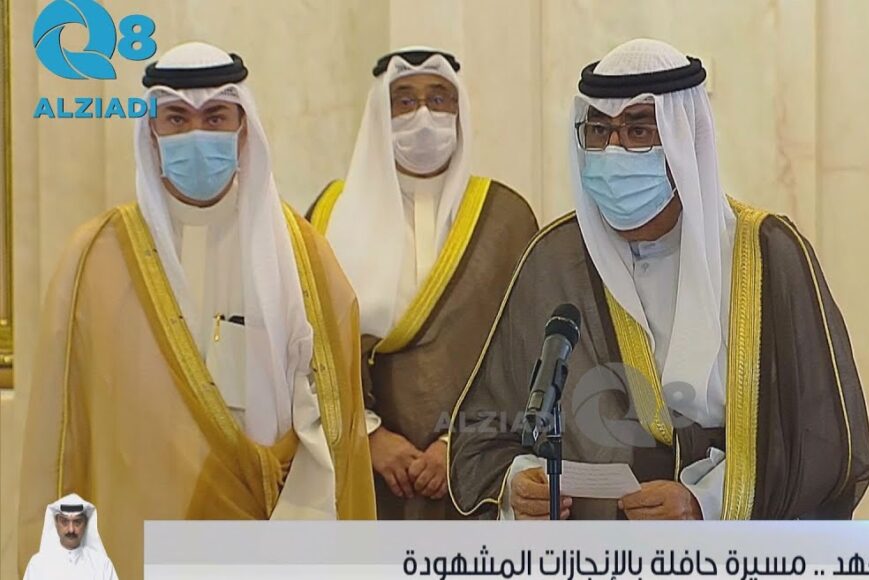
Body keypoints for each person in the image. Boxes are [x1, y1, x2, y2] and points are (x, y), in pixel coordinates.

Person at [448, 39, 869, 521]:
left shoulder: (768, 253)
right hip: (587, 548)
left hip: (728, 552)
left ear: (683, 138)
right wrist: (518, 484)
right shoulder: (554, 258)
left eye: (638, 130)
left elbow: (824, 440)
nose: (613, 151)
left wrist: (704, 502)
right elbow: (485, 434)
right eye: (599, 130)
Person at [19, 42, 376, 579]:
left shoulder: (300, 255)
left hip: (269, 532)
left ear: (243, 127)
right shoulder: (97, 257)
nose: (196, 134)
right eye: (176, 119)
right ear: (152, 133)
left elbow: (330, 414)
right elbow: (70, 430)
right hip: (141, 531)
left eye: (215, 117)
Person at [305, 48, 538, 519]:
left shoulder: (505, 216)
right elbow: (308, 344)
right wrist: (368, 435)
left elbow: (526, 349)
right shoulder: (331, 215)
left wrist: (459, 443)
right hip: (359, 464)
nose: (424, 116)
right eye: (405, 102)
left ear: (460, 110)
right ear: (380, 115)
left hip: (478, 466)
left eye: (439, 98)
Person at [23, 494, 118, 580]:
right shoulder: (38, 565)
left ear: (85, 524)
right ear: (56, 523)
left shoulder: (102, 565)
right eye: (64, 522)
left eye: (77, 522)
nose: (71, 530)